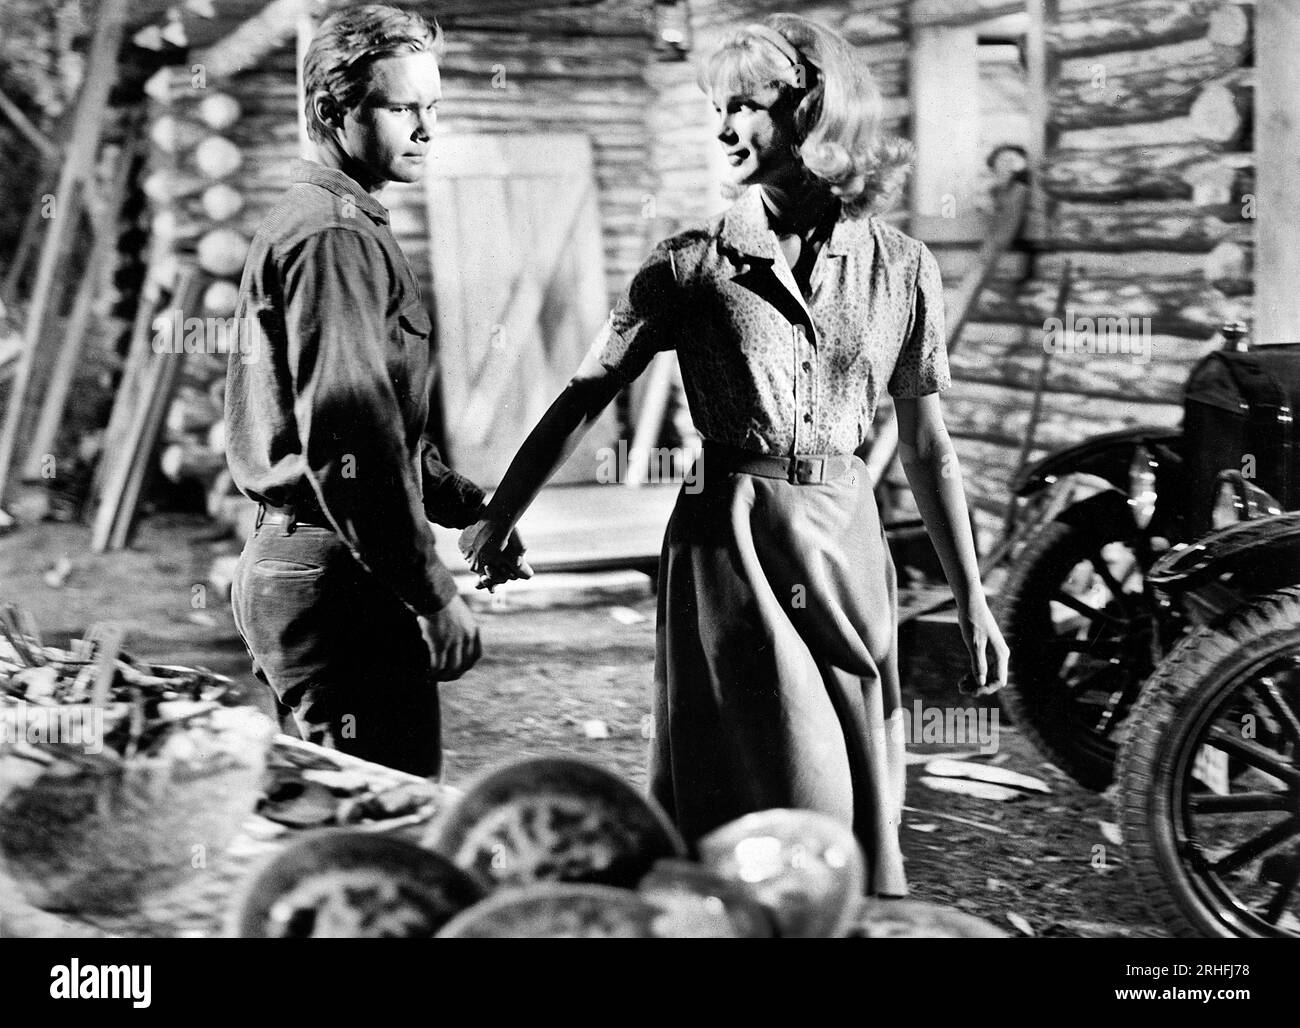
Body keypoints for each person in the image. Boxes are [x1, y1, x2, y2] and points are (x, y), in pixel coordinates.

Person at [461, 14, 1008, 895]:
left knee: (863, 793)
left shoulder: (904, 268)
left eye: (744, 105)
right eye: (715, 108)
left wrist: (974, 598)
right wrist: (501, 513)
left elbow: (928, 447)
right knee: (788, 790)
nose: (722, 129)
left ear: (814, 110)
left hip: (848, 544)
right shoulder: (690, 266)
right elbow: (584, 393)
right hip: (733, 542)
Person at [225, 5, 527, 778]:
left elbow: (380, 426)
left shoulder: (338, 222)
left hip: (316, 561)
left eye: (434, 107)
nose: (427, 130)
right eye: (402, 109)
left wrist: (471, 508)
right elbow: (350, 436)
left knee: (341, 815)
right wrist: (432, 594)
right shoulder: (334, 237)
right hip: (335, 577)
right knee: (380, 818)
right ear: (333, 112)